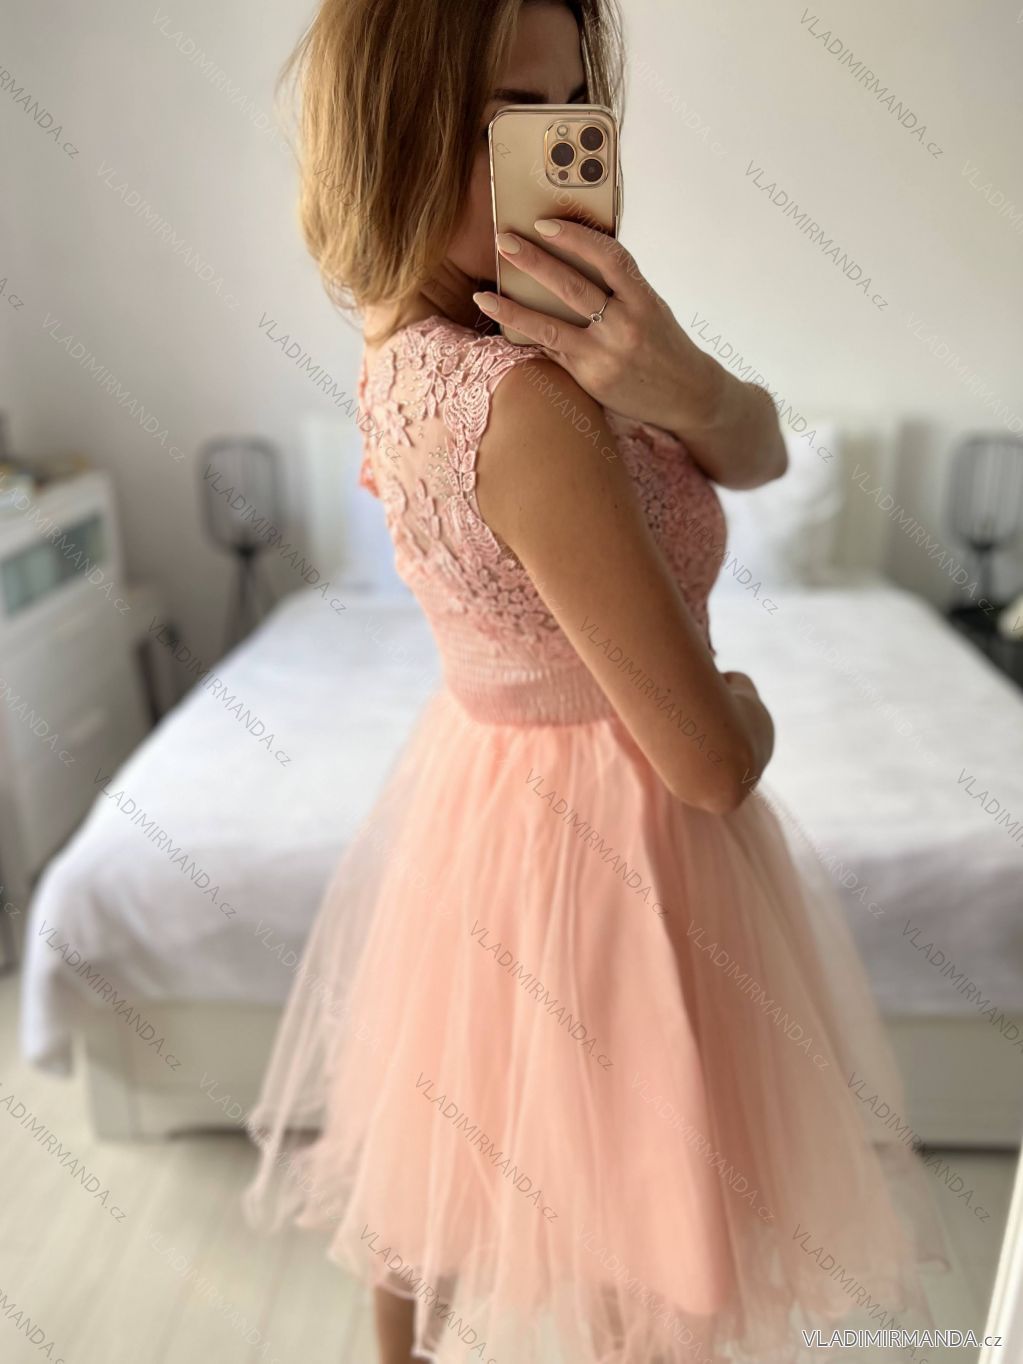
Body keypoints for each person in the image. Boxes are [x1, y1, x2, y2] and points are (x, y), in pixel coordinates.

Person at [244, 2, 948, 1360]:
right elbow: (709, 764)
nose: (555, 151)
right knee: (654, 1225)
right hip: (617, 842)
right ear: (388, 129)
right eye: (498, 115)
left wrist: (681, 379)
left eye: (568, 105)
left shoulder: (407, 327)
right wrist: (748, 700)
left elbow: (761, 456)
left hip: (482, 796)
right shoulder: (526, 401)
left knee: (440, 1143)